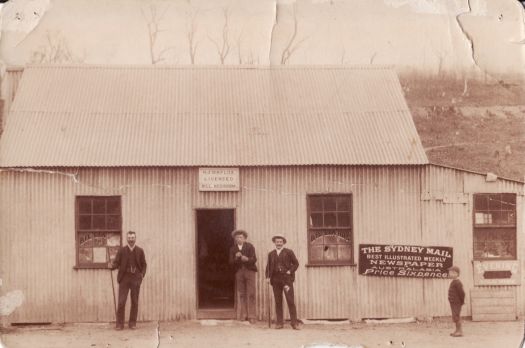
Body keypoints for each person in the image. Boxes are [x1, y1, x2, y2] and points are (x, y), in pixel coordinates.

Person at [109, 231, 147, 330]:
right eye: (129, 238)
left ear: (135, 238)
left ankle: (132, 323)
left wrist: (141, 275)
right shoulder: (122, 251)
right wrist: (111, 266)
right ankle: (119, 324)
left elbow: (144, 265)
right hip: (124, 278)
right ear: (127, 239)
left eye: (132, 237)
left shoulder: (140, 251)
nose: (131, 239)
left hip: (135, 278)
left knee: (134, 301)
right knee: (121, 301)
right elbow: (116, 263)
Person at [265, 234, 300, 330]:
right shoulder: (271, 254)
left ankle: (294, 323)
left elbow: (296, 263)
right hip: (275, 280)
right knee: (278, 301)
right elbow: (268, 267)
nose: (279, 243)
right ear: (274, 243)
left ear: (283, 243)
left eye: (280, 242)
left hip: (286, 280)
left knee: (290, 300)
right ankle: (279, 323)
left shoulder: (289, 252)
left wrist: (290, 271)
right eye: (277, 242)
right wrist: (267, 277)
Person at [228, 229, 257, 324]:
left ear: (244, 238)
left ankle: (252, 316)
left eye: (241, 237)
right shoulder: (233, 249)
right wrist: (236, 257)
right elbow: (231, 263)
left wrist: (247, 259)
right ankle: (243, 315)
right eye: (237, 237)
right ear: (235, 239)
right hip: (239, 272)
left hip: (250, 271)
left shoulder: (250, 246)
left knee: (251, 293)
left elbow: (254, 259)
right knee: (241, 294)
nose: (239, 239)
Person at [448, 265, 465, 337]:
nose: (449, 274)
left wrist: (461, 301)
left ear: (456, 273)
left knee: (456, 316)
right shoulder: (453, 282)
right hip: (453, 302)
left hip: (456, 302)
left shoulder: (458, 283)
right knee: (454, 316)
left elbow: (462, 293)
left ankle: (460, 331)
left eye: (451, 272)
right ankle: (457, 330)